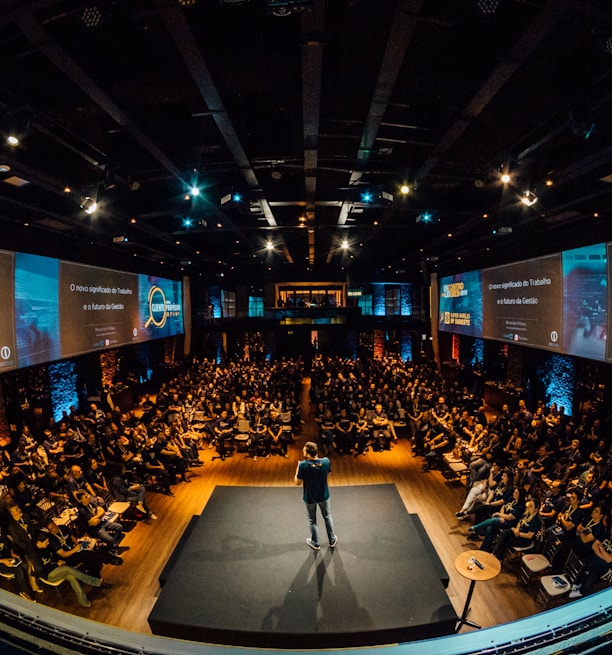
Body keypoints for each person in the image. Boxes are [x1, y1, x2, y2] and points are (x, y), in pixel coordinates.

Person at [294, 441, 337, 551]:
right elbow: (328, 473)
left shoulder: (303, 465)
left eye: (304, 450)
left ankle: (315, 543)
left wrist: (297, 469)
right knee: (327, 516)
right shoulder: (326, 461)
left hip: (310, 497)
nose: (302, 451)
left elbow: (297, 483)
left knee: (312, 520)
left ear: (308, 454)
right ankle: (332, 540)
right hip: (324, 495)